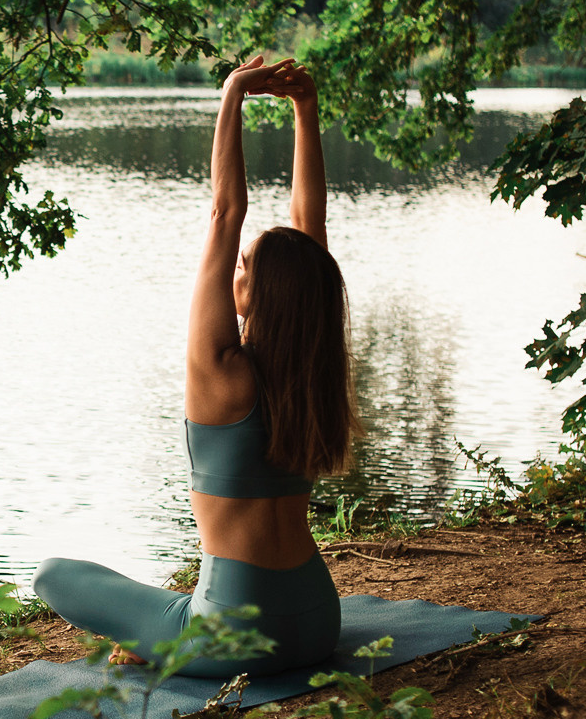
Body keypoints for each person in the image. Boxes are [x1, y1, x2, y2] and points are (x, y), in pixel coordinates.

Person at [33, 56, 356, 676]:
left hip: (232, 637)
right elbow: (309, 233)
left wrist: (232, 93)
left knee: (53, 574)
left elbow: (224, 214)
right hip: (318, 622)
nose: (234, 268)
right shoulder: (309, 374)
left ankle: (165, 639)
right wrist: (304, 110)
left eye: (244, 266)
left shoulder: (221, 373)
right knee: (178, 601)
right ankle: (166, 631)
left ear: (259, 293)